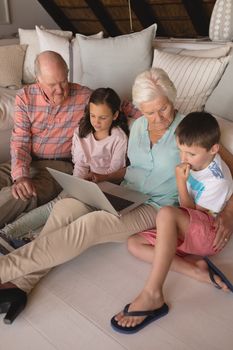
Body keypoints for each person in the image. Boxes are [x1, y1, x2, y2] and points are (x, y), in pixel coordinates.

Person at [0, 68, 233, 325]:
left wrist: (229, 213)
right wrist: (103, 179)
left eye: (163, 109)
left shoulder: (190, 130)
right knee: (67, 207)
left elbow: (227, 166)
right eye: (148, 111)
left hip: (156, 205)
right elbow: (134, 167)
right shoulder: (140, 125)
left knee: (91, 226)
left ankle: (5, 270)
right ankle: (21, 285)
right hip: (125, 192)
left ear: (173, 99)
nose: (156, 118)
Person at [111, 112, 233, 333]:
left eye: (191, 153)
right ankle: (196, 271)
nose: (184, 158)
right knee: (134, 243)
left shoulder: (217, 180)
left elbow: (190, 213)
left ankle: (153, 293)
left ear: (214, 149)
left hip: (209, 234)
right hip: (190, 227)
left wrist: (180, 183)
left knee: (166, 214)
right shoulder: (196, 162)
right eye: (181, 150)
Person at [0, 87, 129, 252]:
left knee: (64, 211)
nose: (96, 122)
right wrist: (76, 184)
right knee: (56, 204)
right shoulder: (83, 132)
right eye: (93, 116)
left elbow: (115, 173)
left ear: (115, 115)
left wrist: (97, 180)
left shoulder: (118, 138)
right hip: (84, 182)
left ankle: (31, 242)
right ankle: (8, 233)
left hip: (105, 185)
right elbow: (81, 164)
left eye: (103, 118)